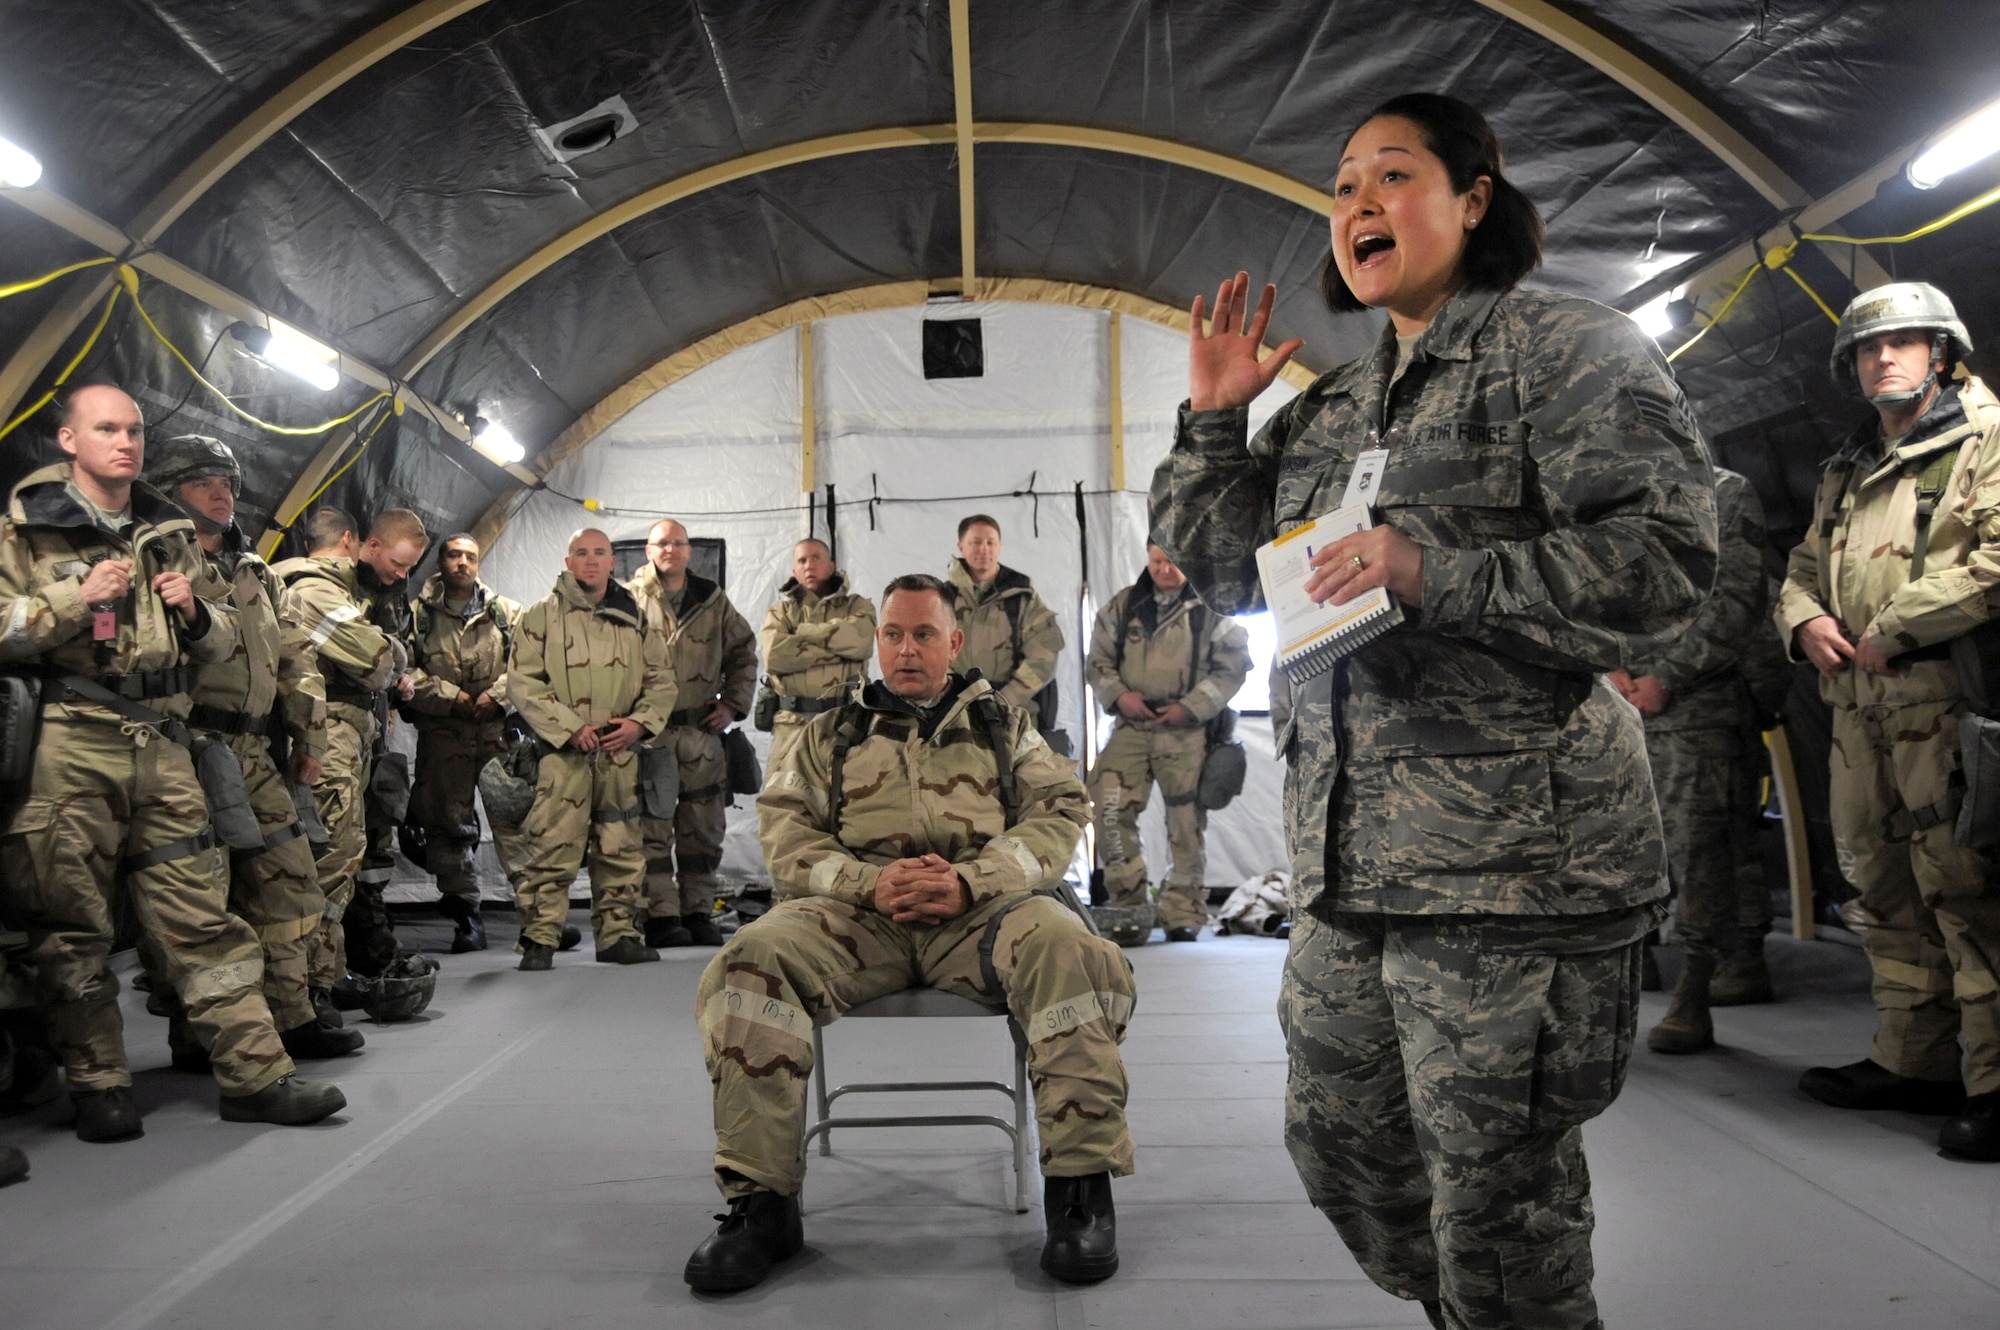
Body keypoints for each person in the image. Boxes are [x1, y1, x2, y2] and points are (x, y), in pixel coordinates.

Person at [1150, 95, 1715, 1328]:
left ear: (1473, 196)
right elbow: (1218, 566)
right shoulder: (1331, 408)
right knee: (1344, 1150)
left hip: (1515, 872)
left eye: (1390, 176)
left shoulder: (1568, 354)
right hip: (1350, 869)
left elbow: (1665, 569)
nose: (1354, 204)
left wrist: (1433, 570)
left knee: (1498, 1204)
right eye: (1341, 185)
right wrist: (1211, 420)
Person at [685, 574, 1133, 1294]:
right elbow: (786, 829)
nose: (906, 649)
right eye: (893, 634)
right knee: (751, 962)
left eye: (924, 633)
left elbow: (1060, 811)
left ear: (955, 643)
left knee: (1072, 951)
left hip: (983, 915)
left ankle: (1080, 1189)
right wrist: (866, 883)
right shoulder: (829, 734)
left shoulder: (1006, 728)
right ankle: (761, 1204)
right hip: (861, 918)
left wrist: (974, 879)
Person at [0, 384, 347, 1139]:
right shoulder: (25, 532)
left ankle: (256, 1074)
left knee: (203, 917)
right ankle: (99, 1085)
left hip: (162, 739)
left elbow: (223, 642)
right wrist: (75, 599)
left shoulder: (167, 531)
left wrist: (193, 611)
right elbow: (5, 626)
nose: (124, 443)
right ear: (68, 441)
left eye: (133, 430)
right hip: (73, 737)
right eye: (105, 429)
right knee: (73, 924)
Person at [1776, 281, 2000, 1162]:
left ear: (1942, 353)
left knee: (1969, 890)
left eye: (1905, 342)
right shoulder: (1849, 467)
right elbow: (1798, 567)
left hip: (1949, 710)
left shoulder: (1985, 439)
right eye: (1870, 347)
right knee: (1882, 886)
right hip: (1859, 717)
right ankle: (1914, 1060)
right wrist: (1804, 621)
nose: (1885, 357)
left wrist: (1892, 627)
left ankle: (1995, 1080)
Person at [144, 434, 362, 1062]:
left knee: (289, 880)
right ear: (170, 491)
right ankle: (196, 1031)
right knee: (200, 899)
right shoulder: (156, 561)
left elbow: (295, 659)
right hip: (186, 748)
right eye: (204, 483)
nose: (223, 494)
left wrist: (308, 738)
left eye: (230, 484)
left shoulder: (254, 572)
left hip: (255, 752)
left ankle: (292, 1015)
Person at [1609, 468, 1786, 1052]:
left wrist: (1668, 676)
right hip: (1620, 697)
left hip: (1697, 700)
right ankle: (1639, 965)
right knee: (1624, 844)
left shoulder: (1723, 490)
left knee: (1702, 845)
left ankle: (1695, 988)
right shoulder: (1602, 490)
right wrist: (1604, 665)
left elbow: (1735, 601)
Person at [508, 528, 679, 969]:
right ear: (568, 563)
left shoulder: (634, 619)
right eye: (581, 553)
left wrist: (638, 725)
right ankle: (540, 938)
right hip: (563, 756)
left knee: (620, 846)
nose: (590, 560)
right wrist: (568, 729)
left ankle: (618, 935)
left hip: (620, 754)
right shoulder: (541, 617)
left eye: (599, 553)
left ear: (611, 563)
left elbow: (662, 680)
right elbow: (523, 683)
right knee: (552, 845)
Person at [273, 507, 423, 1003]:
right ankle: (310, 990)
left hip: (347, 735)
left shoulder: (353, 592)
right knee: (329, 858)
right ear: (355, 540)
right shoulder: (313, 588)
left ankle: (328, 976)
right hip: (327, 738)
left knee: (345, 855)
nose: (402, 577)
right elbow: (378, 660)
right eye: (399, 565)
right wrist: (392, 656)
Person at [1086, 542, 1250, 944]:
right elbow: (1097, 662)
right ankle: (1128, 906)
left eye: (1172, 561)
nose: (1164, 568)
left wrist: (1192, 708)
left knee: (1186, 823)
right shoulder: (1123, 607)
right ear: (1147, 558)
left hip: (1186, 729)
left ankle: (1182, 911)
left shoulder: (1212, 608)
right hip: (1131, 726)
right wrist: (1120, 696)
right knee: (1107, 808)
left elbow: (1234, 666)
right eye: (1157, 560)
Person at [627, 518, 756, 948]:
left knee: (703, 828)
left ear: (689, 551)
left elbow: (743, 651)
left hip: (701, 735)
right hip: (651, 735)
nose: (670, 550)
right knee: (654, 828)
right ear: (649, 550)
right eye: (662, 543)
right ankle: (661, 916)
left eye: (678, 543)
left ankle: (698, 912)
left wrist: (732, 704)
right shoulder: (628, 598)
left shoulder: (712, 599)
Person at [403, 532, 523, 953]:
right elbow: (401, 673)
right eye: (454, 555)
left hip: (497, 736)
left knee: (516, 822)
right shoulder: (415, 614)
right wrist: (451, 697)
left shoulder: (506, 613)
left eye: (470, 556)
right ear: (440, 562)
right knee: (448, 827)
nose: (462, 563)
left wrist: (498, 695)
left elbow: (530, 665)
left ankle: (538, 917)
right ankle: (466, 917)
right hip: (443, 737)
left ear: (478, 563)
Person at [757, 538, 875, 774]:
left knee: (843, 802)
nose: (809, 565)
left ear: (830, 566)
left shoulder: (858, 606)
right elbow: (774, 656)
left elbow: (860, 643)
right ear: (795, 571)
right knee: (782, 804)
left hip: (843, 724)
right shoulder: (781, 612)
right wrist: (835, 648)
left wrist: (803, 635)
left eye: (815, 558)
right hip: (791, 726)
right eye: (802, 560)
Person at [945, 515, 1064, 722]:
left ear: (999, 546)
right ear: (961, 546)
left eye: (991, 542)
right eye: (976, 542)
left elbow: (1044, 656)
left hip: (1013, 715)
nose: (984, 548)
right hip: (953, 714)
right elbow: (929, 651)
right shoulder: (942, 597)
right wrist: (953, 698)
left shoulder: (1023, 598)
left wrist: (1004, 699)